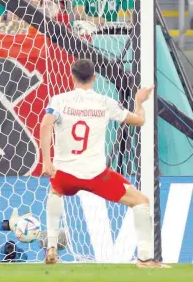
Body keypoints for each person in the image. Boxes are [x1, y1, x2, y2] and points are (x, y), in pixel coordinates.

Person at [40, 59, 169, 268]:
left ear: (72, 77)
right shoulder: (105, 102)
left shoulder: (59, 100)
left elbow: (46, 125)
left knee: (55, 192)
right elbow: (138, 121)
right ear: (95, 78)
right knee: (141, 201)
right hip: (96, 175)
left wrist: (47, 161)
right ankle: (145, 259)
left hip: (64, 174)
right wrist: (139, 101)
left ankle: (51, 245)